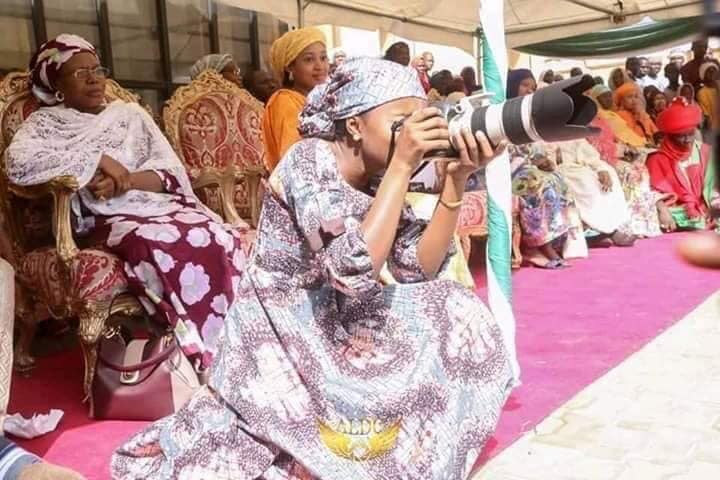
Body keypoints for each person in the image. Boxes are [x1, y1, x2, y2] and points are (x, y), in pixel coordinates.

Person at [112, 57, 513, 479]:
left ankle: (416, 449)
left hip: (345, 319)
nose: (411, 135)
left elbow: (417, 268)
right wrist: (401, 166)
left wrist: (454, 180)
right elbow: (351, 270)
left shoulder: (380, 175)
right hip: (286, 327)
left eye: (418, 122)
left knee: (453, 303)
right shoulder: (308, 160)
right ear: (354, 125)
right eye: (400, 123)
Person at [6, 34, 251, 369]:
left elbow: (170, 173)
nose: (94, 79)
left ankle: (238, 338)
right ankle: (200, 347)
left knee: (213, 231)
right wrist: (96, 158)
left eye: (97, 69)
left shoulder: (129, 115)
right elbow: (18, 165)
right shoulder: (45, 124)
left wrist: (126, 181)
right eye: (80, 73)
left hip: (155, 206)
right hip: (101, 220)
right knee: (158, 239)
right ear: (57, 85)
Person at [507, 69, 586, 268]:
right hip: (503, 170)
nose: (529, 90)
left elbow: (535, 146)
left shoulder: (528, 114)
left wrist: (542, 159)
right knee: (537, 183)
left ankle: (558, 242)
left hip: (525, 167)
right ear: (512, 85)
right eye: (524, 85)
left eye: (533, 87)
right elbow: (505, 147)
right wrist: (532, 161)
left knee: (558, 180)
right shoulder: (503, 111)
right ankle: (534, 246)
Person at [587, 85, 667, 237]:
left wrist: (626, 149)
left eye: (609, 95)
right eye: (603, 97)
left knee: (640, 169)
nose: (608, 99)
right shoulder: (593, 120)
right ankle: (633, 221)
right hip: (601, 159)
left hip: (619, 153)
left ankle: (645, 222)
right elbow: (597, 146)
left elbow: (617, 138)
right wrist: (622, 151)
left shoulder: (608, 117)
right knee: (630, 171)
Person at [262, 27, 329, 172]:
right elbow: (296, 161)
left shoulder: (322, 100)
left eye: (323, 58)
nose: (319, 66)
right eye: (309, 59)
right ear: (290, 67)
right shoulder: (285, 102)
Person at [647, 97, 717, 230]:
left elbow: (713, 186)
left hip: (706, 206)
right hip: (676, 210)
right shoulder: (657, 159)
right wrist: (663, 210)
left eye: (691, 134)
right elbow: (652, 192)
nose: (687, 140)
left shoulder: (705, 151)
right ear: (670, 135)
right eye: (681, 135)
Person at [697, 62, 719, 130]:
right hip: (713, 128)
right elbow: (706, 114)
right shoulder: (702, 92)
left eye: (714, 71)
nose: (712, 73)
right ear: (703, 75)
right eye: (709, 71)